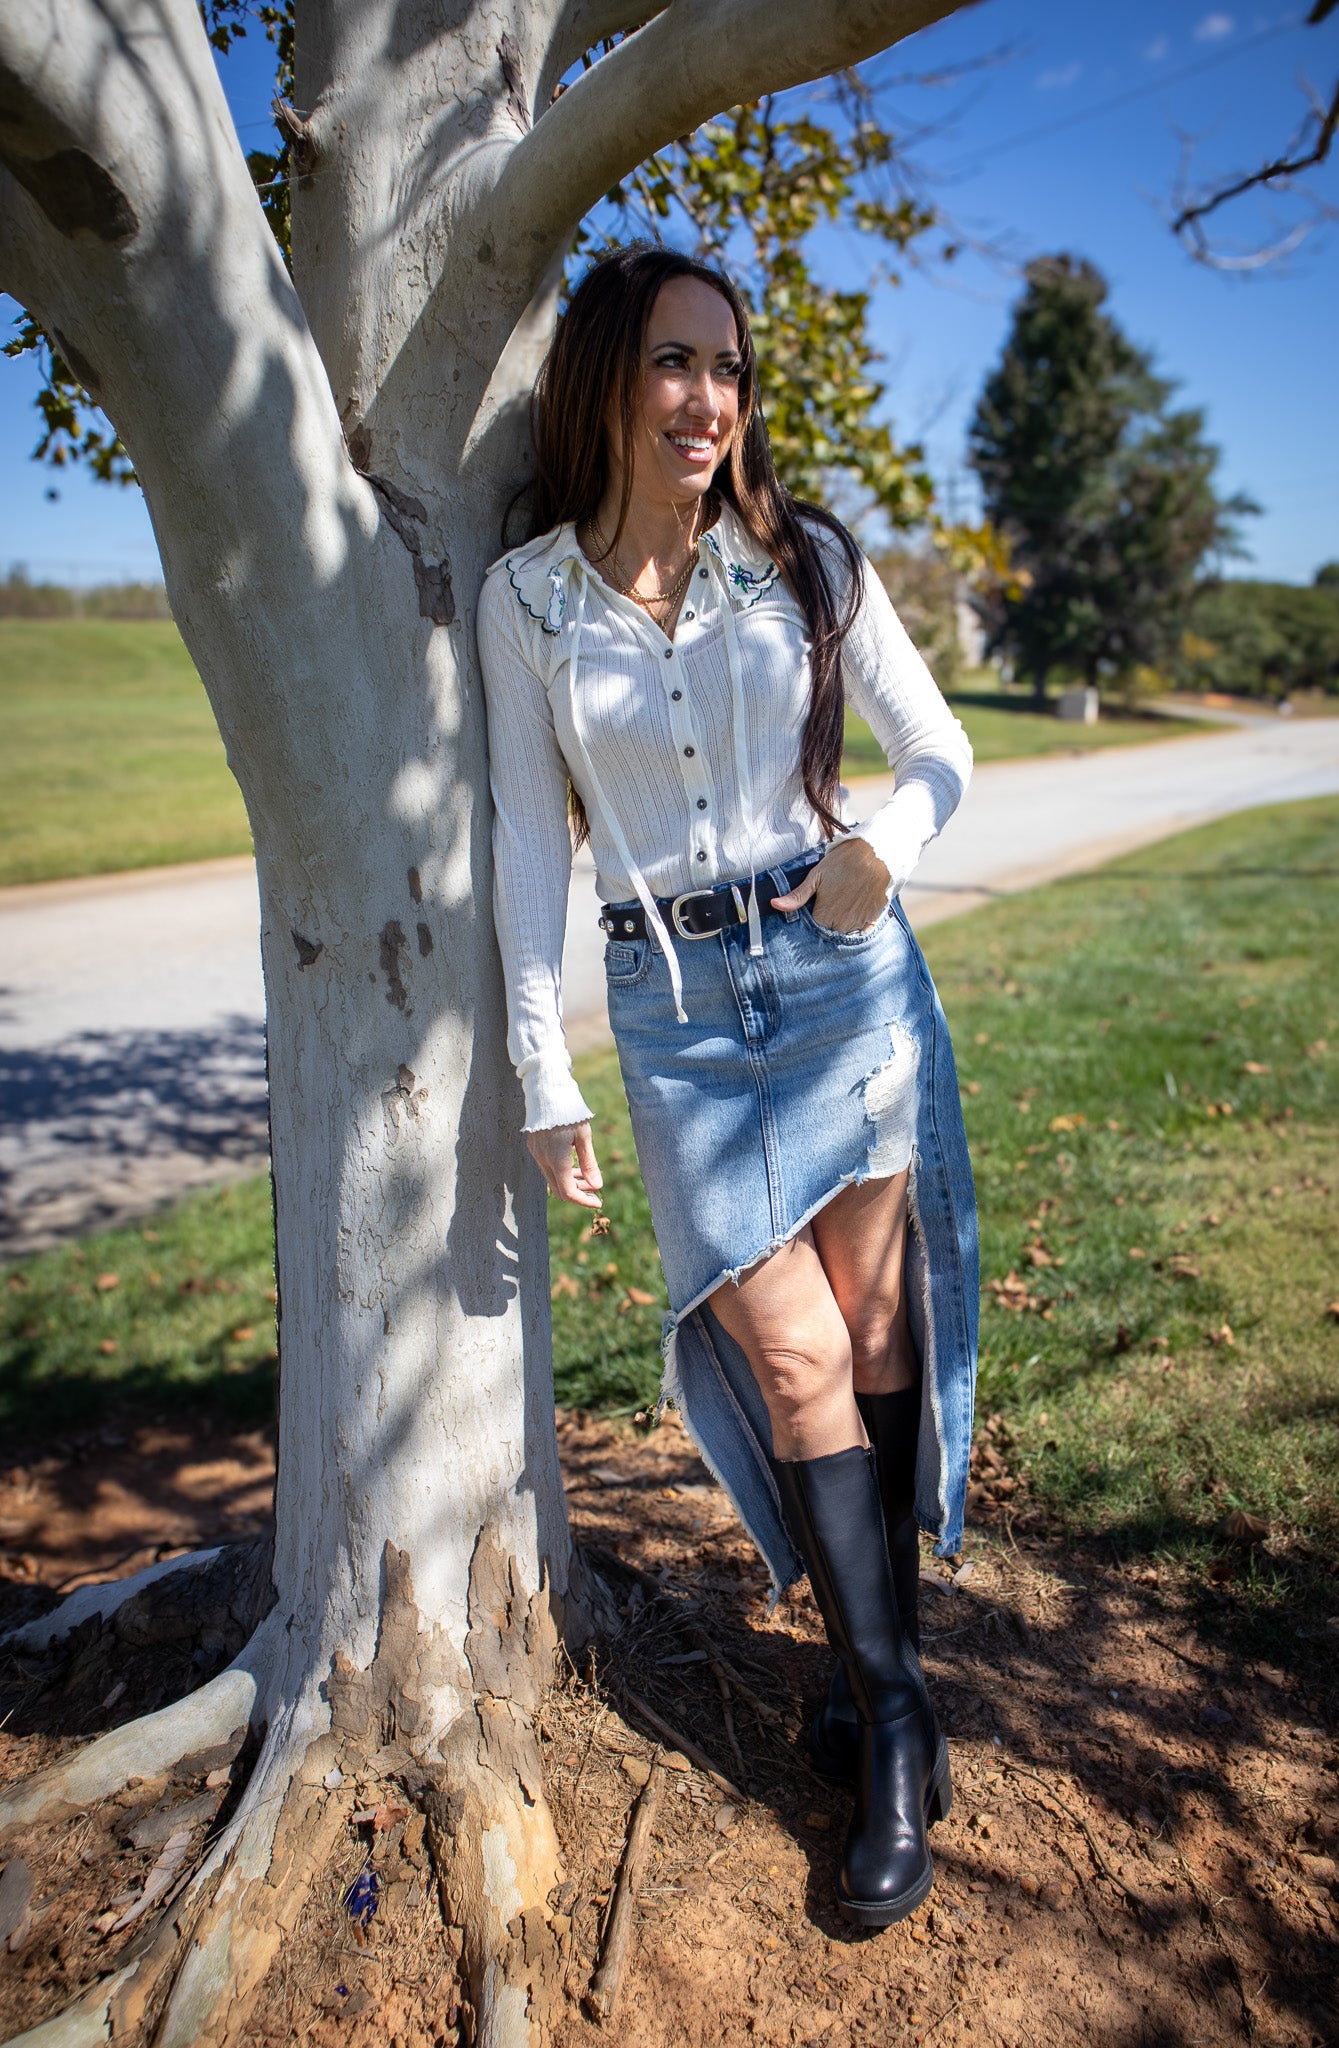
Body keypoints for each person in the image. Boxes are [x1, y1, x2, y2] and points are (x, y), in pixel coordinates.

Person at [478, 245, 979, 1928]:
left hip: (840, 977)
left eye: (728, 368)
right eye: (673, 363)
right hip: (675, 1020)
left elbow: (936, 752)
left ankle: (875, 1699)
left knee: (873, 1329)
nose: (707, 399)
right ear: (606, 378)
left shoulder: (805, 558)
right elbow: (523, 844)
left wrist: (886, 845)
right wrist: (541, 1063)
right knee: (791, 1350)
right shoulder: (528, 602)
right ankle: (893, 1706)